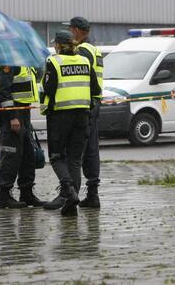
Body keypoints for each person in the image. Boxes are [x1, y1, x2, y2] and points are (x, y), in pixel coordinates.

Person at [41, 30, 101, 216]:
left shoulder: (54, 62)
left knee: (57, 157)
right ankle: (70, 204)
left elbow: (48, 89)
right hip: (83, 115)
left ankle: (68, 191)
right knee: (75, 160)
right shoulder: (84, 61)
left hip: (60, 116)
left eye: (54, 44)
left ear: (58, 45)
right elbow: (95, 89)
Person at [0, 64, 44, 208]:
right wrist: (12, 117)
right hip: (13, 114)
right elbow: (4, 92)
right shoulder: (9, 63)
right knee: (11, 156)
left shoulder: (25, 64)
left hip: (23, 112)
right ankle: (3, 196)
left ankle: (27, 193)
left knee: (27, 156)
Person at [68, 16, 103, 209]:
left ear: (78, 31)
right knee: (91, 149)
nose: (70, 34)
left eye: (72, 30)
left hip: (85, 104)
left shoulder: (81, 51)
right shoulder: (94, 49)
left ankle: (74, 193)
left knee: (79, 151)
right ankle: (92, 194)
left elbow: (84, 79)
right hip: (94, 103)